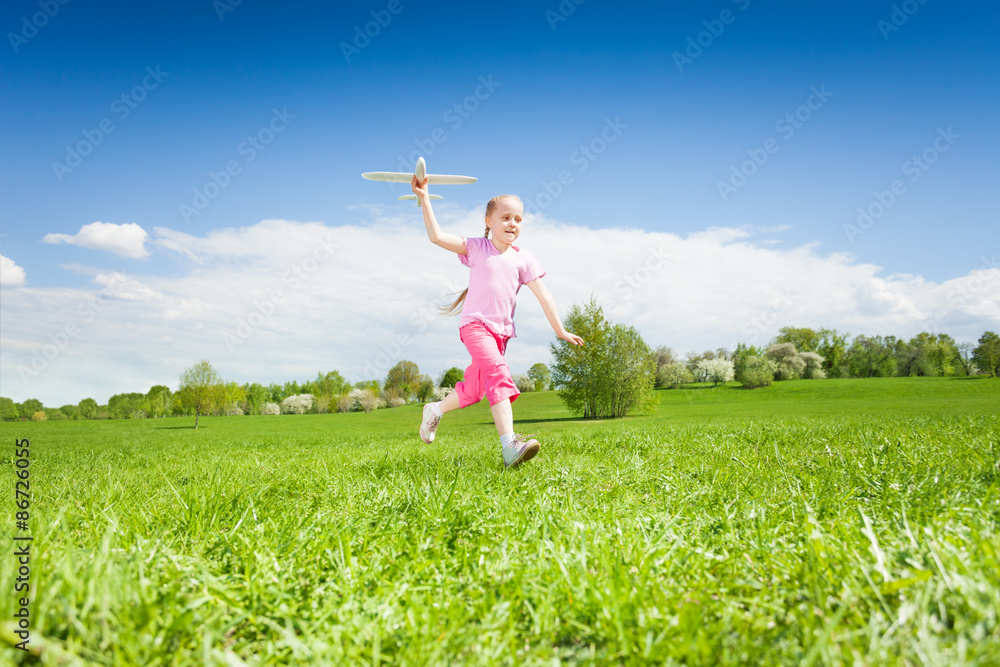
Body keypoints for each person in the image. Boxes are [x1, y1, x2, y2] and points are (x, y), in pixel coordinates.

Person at [411, 174, 584, 468]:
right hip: (475, 327)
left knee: (475, 390)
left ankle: (435, 409)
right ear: (488, 220)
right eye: (505, 217)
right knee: (498, 374)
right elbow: (437, 237)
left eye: (518, 218)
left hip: (501, 334)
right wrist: (425, 198)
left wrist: (561, 330)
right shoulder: (477, 247)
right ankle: (509, 447)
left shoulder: (524, 259)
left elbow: (545, 297)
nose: (512, 223)